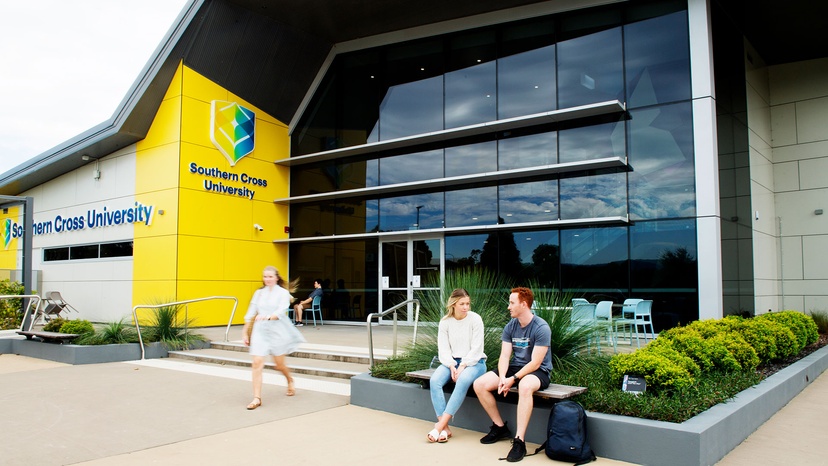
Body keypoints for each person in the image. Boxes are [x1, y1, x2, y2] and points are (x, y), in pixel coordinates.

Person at [473, 287, 552, 462]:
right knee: (480, 385)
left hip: (538, 371)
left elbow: (535, 363)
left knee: (524, 386)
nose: (508, 306)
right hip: (515, 368)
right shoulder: (511, 326)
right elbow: (504, 356)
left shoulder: (541, 327)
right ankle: (500, 427)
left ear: (524, 305)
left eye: (512, 303)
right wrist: (502, 377)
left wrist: (513, 379)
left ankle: (519, 441)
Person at [427, 288, 487, 443]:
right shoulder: (445, 322)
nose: (466, 307)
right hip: (452, 362)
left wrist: (463, 365)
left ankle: (439, 426)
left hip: (475, 362)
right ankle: (445, 428)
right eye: (462, 304)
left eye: (467, 303)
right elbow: (444, 348)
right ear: (453, 304)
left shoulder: (475, 319)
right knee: (435, 381)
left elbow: (477, 348)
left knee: (462, 380)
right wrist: (452, 365)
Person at [242, 266, 306, 410]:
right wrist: (245, 332)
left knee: (279, 365)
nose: (267, 279)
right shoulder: (259, 293)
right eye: (265, 277)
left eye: (270, 276)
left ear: (276, 277)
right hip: (260, 330)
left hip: (277, 330)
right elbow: (251, 312)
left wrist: (270, 316)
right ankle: (257, 398)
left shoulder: (283, 293)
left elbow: (281, 310)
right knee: (256, 362)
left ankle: (289, 379)